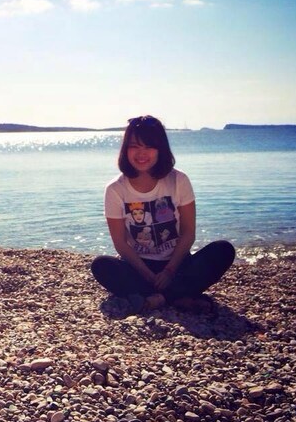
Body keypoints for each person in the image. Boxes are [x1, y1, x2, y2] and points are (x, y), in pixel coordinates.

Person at [91, 115, 235, 313]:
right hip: (139, 266)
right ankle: (179, 296)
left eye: (149, 146)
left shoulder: (179, 180)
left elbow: (188, 233)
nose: (141, 153)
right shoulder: (115, 189)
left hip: (177, 263)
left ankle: (157, 297)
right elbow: (120, 243)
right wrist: (149, 275)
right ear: (125, 149)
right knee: (101, 265)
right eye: (134, 146)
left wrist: (169, 271)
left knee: (223, 250)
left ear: (160, 149)